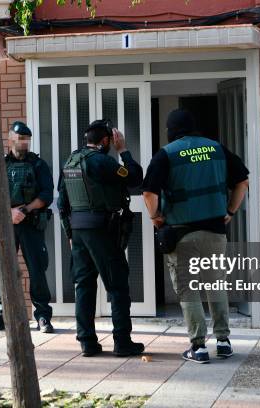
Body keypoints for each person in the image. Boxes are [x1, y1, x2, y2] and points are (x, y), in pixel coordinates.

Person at [142, 109, 249, 364]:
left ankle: (198, 347)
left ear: (171, 130)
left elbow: (148, 194)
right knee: (215, 285)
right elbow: (242, 181)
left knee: (189, 290)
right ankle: (223, 341)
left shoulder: (166, 154)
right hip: (215, 231)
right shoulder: (217, 149)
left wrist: (155, 216)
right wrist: (230, 211)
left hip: (181, 234)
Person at [57, 119, 145, 357]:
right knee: (117, 286)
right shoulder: (102, 162)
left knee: (84, 286)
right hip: (102, 231)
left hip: (78, 232)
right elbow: (135, 177)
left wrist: (69, 234)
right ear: (106, 141)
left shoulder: (71, 161)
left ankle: (87, 342)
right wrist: (124, 150)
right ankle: (122, 342)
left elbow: (62, 203)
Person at [0, 121, 55, 333]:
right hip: (7, 225)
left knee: (37, 270)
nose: (23, 143)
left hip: (31, 224)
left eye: (26, 139)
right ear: (10, 139)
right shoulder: (0, 164)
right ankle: (2, 315)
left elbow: (46, 194)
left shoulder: (38, 164)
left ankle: (43, 316)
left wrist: (24, 210)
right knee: (5, 269)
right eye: (19, 139)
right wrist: (10, 214)